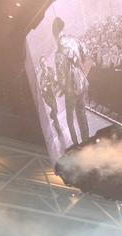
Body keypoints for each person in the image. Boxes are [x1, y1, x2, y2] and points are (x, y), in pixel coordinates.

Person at [53, 17, 90, 146]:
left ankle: (76, 145)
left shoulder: (59, 51)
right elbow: (86, 54)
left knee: (69, 118)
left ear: (55, 33)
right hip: (82, 83)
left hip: (71, 89)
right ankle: (87, 142)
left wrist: (62, 86)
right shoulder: (75, 40)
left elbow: (61, 76)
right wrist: (80, 72)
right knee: (82, 114)